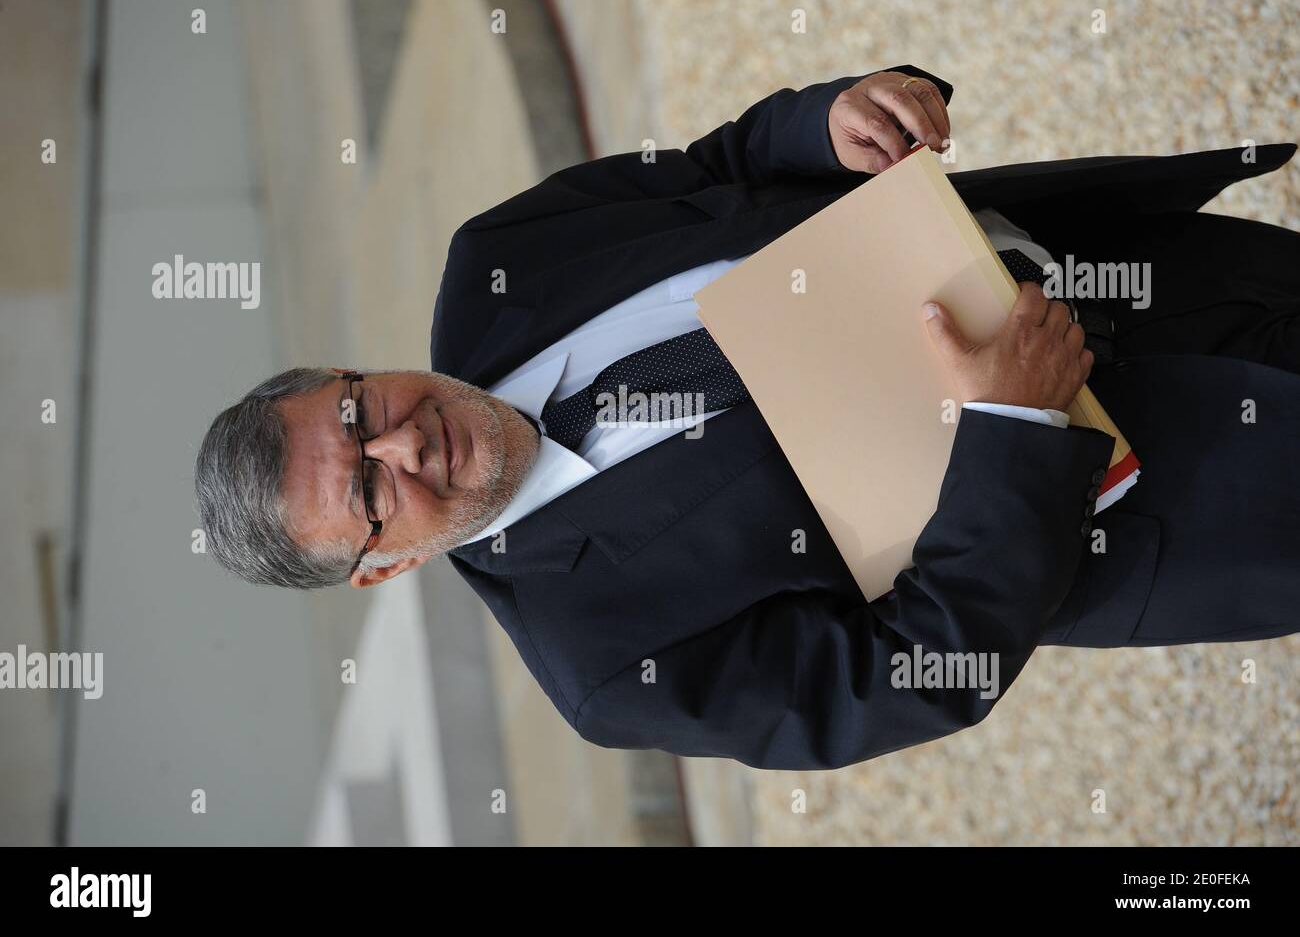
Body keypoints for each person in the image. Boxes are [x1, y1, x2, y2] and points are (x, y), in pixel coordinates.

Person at [196, 66, 1300, 769]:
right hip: (1177, 494)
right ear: (380, 570)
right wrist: (1009, 421)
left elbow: (714, 168)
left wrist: (826, 121)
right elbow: (921, 670)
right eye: (367, 490)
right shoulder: (603, 664)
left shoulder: (498, 260)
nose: (402, 443)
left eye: (357, 411)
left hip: (1117, 271)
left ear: (347, 369)